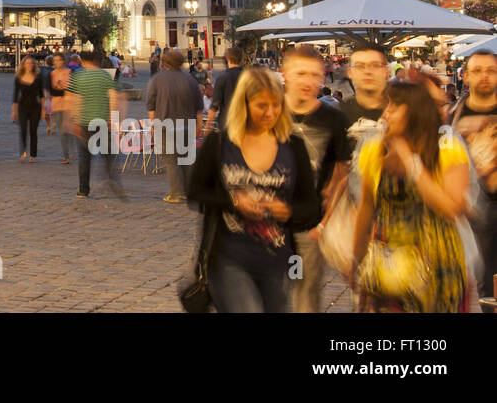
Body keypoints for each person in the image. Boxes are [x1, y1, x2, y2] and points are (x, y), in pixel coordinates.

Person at [186, 67, 320, 313]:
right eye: (261, 105)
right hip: (227, 258)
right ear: (244, 104)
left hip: (280, 261)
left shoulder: (293, 147)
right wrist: (233, 202)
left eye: (276, 104)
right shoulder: (220, 144)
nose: (270, 112)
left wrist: (287, 211)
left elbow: (311, 208)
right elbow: (195, 192)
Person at [351, 80, 472, 313]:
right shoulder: (374, 151)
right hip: (388, 272)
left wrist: (409, 159)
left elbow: (450, 207)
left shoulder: (447, 148)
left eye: (394, 106)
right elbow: (366, 209)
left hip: (438, 272)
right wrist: (356, 262)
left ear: (415, 112)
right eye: (386, 106)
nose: (386, 114)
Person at [281, 45, 353, 313]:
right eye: (301, 73)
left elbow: (341, 172)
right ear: (285, 73)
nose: (309, 81)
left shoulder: (333, 119)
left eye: (315, 75)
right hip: (265, 226)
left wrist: (324, 222)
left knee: (304, 297)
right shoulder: (267, 111)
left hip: (307, 226)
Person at [449, 49, 497, 310]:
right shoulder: (451, 118)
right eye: (477, 71)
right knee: (477, 287)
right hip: (469, 214)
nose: (484, 77)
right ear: (465, 76)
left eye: (491, 70)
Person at [145, 48, 203, 203]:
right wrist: (198, 126)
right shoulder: (191, 80)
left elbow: (151, 105)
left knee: (170, 160)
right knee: (187, 160)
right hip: (187, 125)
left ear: (165, 63)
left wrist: (153, 124)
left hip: (165, 124)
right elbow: (199, 107)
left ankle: (176, 193)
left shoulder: (157, 79)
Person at [67, 50, 125, 198]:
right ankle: (112, 180)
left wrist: (73, 119)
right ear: (96, 61)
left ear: (82, 61)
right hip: (103, 121)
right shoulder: (105, 75)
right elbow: (114, 97)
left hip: (84, 122)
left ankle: (83, 190)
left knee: (84, 157)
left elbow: (74, 99)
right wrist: (112, 118)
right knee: (108, 154)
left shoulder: (77, 76)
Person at [342, 43, 390, 124]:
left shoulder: (406, 112)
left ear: (386, 71)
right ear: (350, 73)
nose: (367, 71)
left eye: (375, 65)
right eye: (360, 66)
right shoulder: (336, 116)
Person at [12, 57, 44, 163]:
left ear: (34, 65)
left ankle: (33, 155)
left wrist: (43, 111)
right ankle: (23, 152)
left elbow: (42, 95)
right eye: (27, 63)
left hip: (35, 107)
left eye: (31, 63)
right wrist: (14, 111)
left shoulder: (38, 77)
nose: (29, 65)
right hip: (22, 107)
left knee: (33, 131)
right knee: (23, 130)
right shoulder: (18, 77)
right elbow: (15, 96)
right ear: (24, 64)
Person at [206, 48, 243, 132]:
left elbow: (214, 106)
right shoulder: (249, 77)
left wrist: (208, 127)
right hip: (245, 124)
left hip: (227, 123)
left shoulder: (222, 78)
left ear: (227, 59)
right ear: (242, 59)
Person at [47, 54, 73, 164]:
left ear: (63, 61)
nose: (57, 62)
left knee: (69, 131)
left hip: (68, 105)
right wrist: (61, 88)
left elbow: (71, 88)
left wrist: (59, 87)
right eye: (55, 61)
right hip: (56, 105)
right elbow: (51, 90)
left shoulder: (69, 72)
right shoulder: (52, 74)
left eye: (59, 60)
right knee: (61, 132)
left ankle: (71, 153)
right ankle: (66, 156)